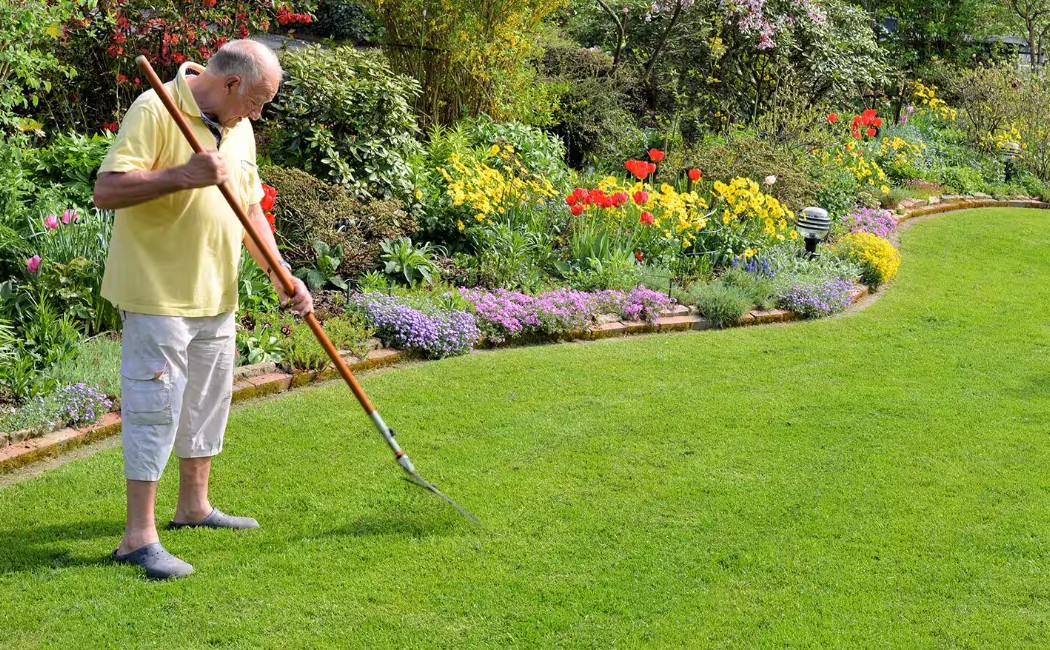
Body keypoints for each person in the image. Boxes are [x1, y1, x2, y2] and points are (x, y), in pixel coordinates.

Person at [93, 39, 313, 580]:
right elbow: (107, 190)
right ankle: (137, 538)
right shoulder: (154, 108)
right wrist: (183, 175)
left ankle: (193, 507)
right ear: (232, 83)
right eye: (259, 99)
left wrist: (281, 274)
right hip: (158, 294)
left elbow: (250, 208)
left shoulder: (240, 128)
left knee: (206, 405)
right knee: (155, 409)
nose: (260, 112)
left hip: (217, 293)